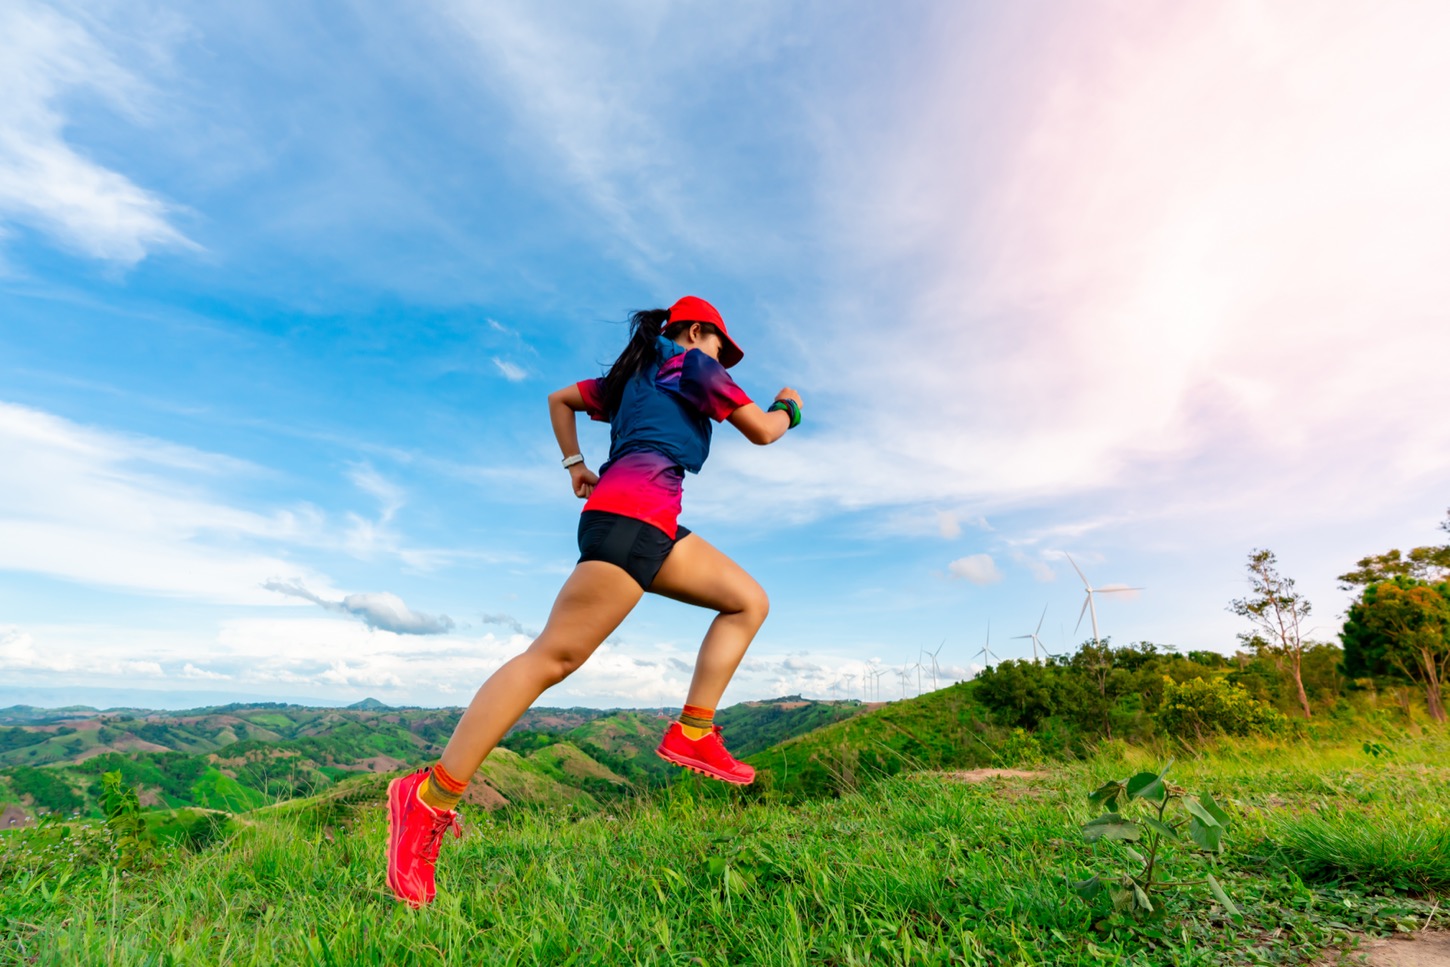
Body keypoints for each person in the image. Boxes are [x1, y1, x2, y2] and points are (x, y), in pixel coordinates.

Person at [385, 295, 803, 907]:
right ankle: (429, 798)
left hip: (644, 520)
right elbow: (764, 432)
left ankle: (693, 729)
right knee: (553, 658)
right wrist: (788, 404)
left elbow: (559, 399)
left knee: (747, 601)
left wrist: (576, 465)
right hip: (635, 517)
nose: (724, 361)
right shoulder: (691, 363)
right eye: (721, 347)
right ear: (694, 332)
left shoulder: (633, 374)